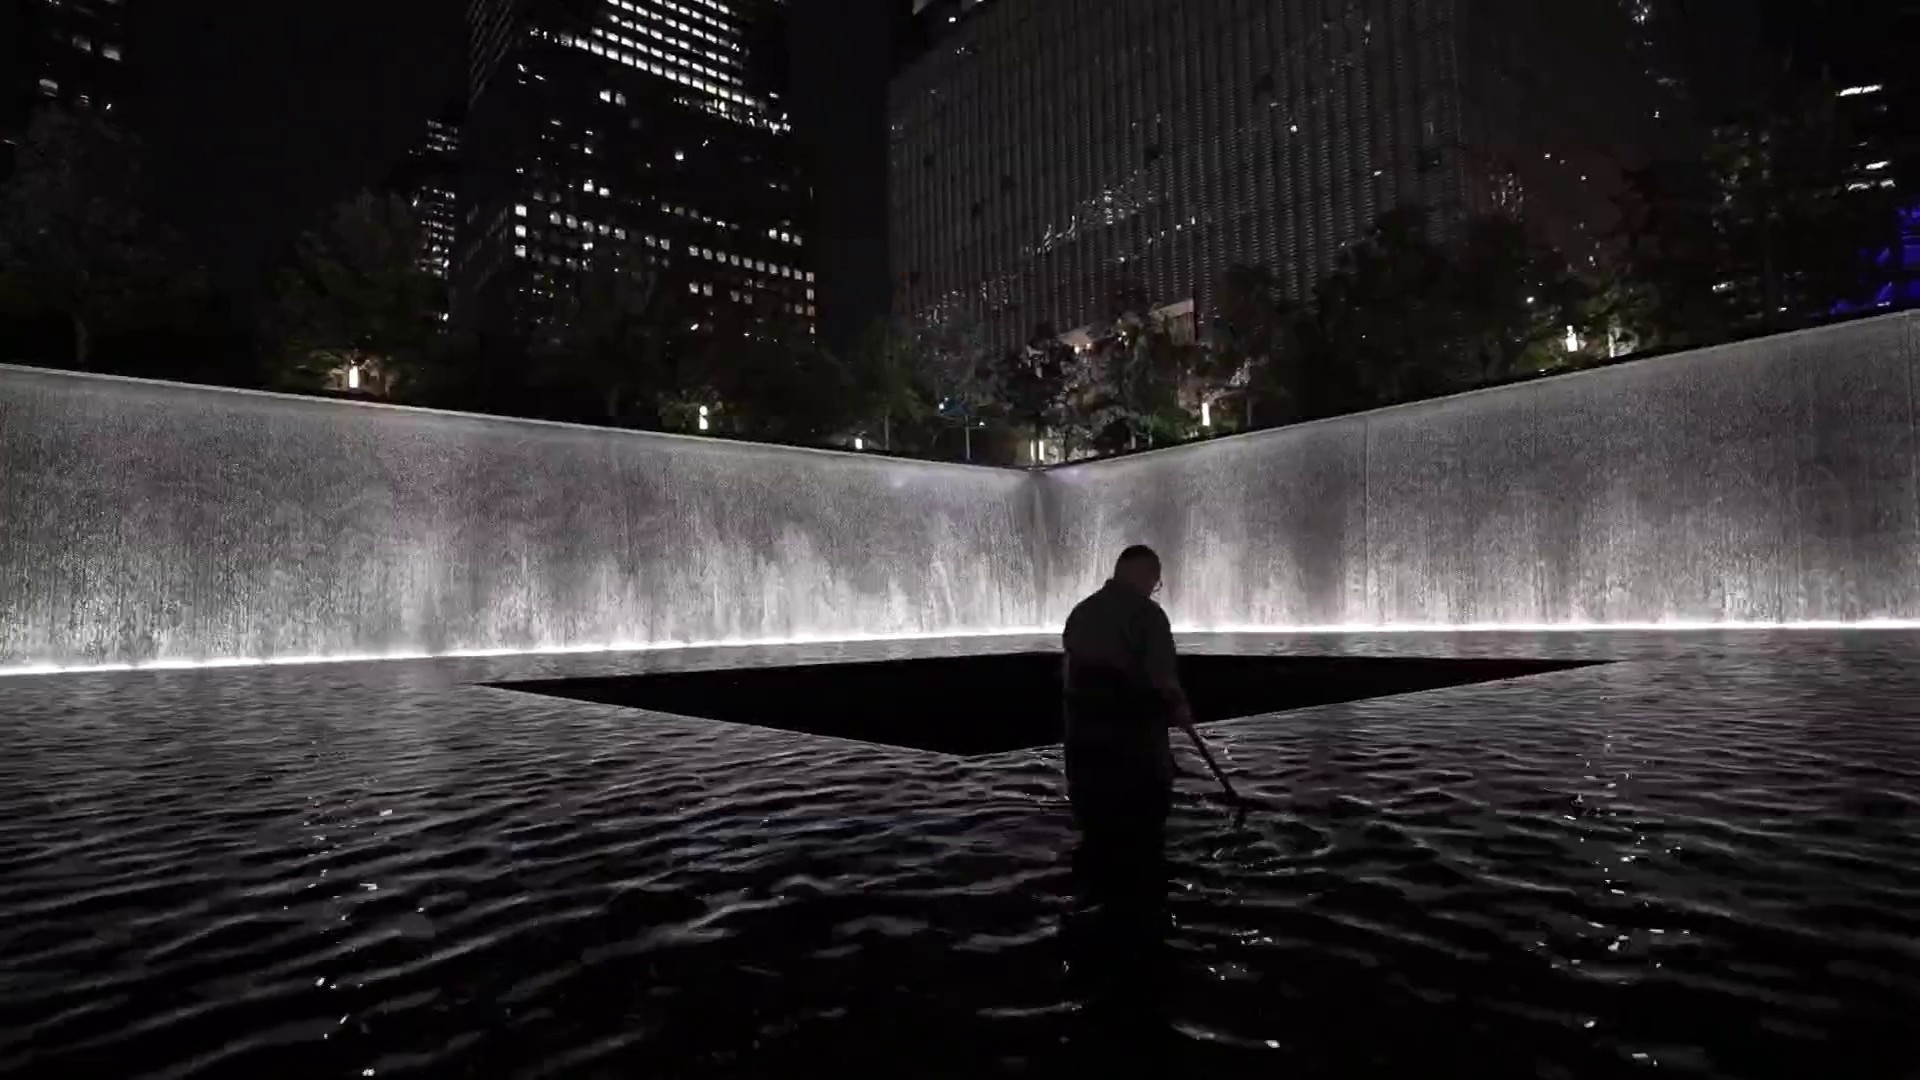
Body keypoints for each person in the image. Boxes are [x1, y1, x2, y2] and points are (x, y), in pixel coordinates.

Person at [1060, 544, 1196, 863]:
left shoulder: (1081, 612)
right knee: (1143, 848)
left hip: (1084, 753)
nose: (1154, 589)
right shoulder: (1148, 616)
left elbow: (1071, 679)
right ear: (1146, 575)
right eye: (1156, 581)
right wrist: (1181, 710)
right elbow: (1163, 680)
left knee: (1095, 845)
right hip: (1135, 754)